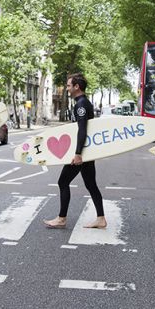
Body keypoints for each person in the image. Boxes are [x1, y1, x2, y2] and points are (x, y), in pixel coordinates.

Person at [43, 73, 107, 229]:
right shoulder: (84, 103)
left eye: (69, 86)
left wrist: (78, 153)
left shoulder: (81, 105)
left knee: (63, 182)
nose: (67, 89)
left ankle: (61, 218)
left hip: (82, 153)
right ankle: (101, 218)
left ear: (77, 87)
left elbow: (82, 130)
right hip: (87, 152)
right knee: (91, 184)